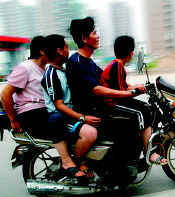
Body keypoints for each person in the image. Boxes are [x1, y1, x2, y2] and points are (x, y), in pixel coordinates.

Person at [66, 17, 141, 181]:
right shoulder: (76, 62)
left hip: (99, 110)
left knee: (133, 117)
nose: (98, 36)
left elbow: (108, 83)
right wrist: (128, 94)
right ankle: (115, 171)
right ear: (84, 38)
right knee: (131, 122)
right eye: (94, 33)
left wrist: (133, 88)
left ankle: (124, 163)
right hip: (90, 114)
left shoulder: (89, 62)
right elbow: (97, 89)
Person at [100, 35, 167, 165]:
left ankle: (143, 144)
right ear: (131, 52)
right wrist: (135, 91)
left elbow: (122, 85)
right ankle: (150, 152)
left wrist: (137, 87)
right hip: (111, 105)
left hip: (115, 102)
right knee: (141, 113)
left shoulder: (116, 66)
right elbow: (121, 94)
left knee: (146, 107)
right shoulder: (117, 67)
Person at [41, 34, 99, 178]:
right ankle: (73, 162)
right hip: (61, 118)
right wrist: (83, 118)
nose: (69, 51)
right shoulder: (51, 74)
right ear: (59, 51)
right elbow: (59, 105)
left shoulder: (64, 70)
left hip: (71, 114)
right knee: (90, 134)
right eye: (66, 47)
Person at [1, 36, 49, 138]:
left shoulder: (47, 68)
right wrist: (13, 120)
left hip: (42, 111)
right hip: (30, 114)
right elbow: (5, 94)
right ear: (42, 51)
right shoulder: (25, 68)